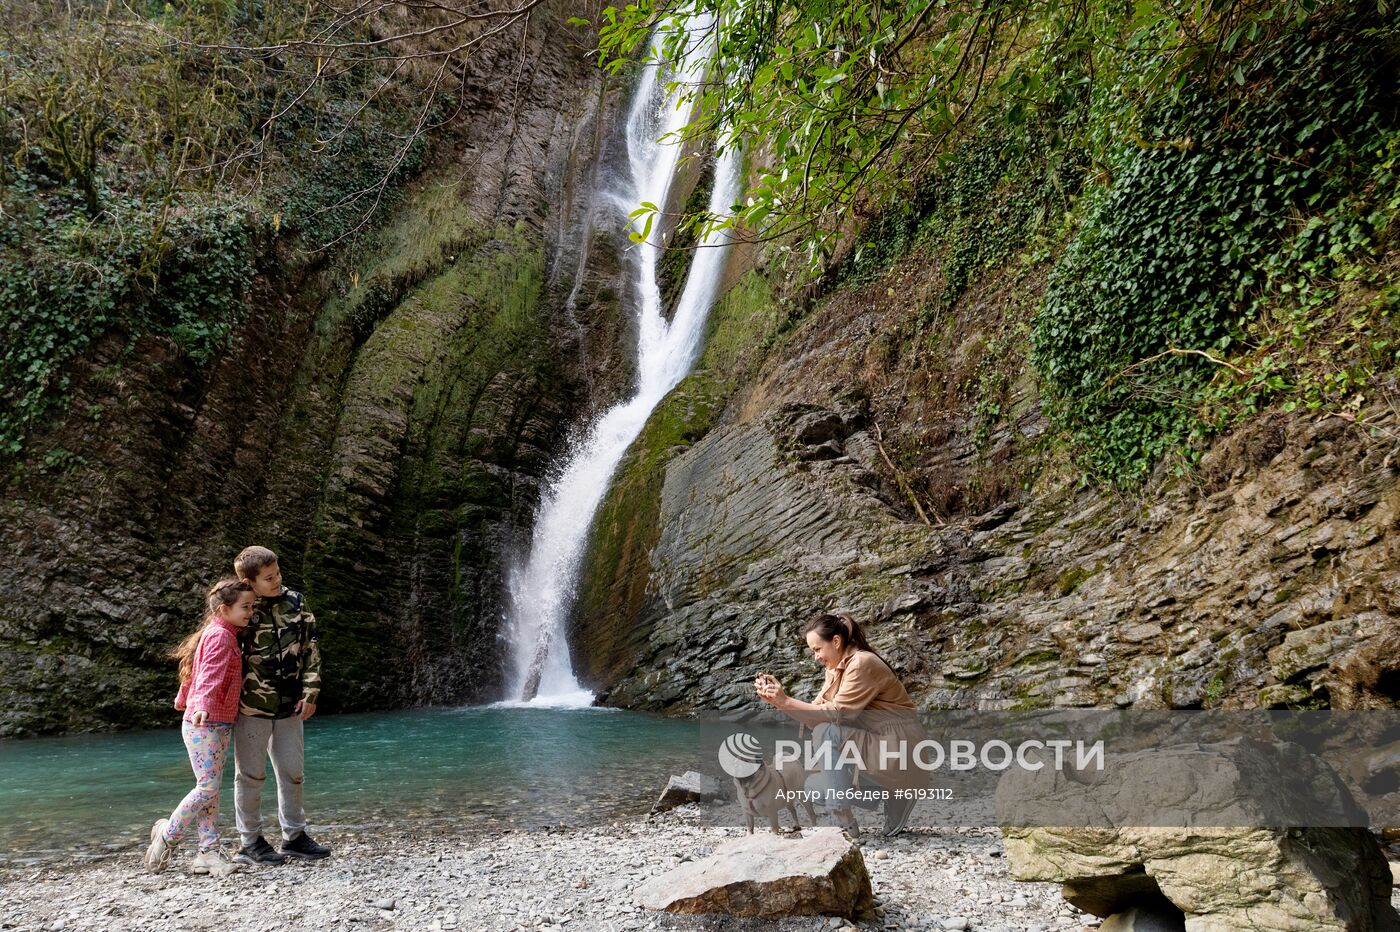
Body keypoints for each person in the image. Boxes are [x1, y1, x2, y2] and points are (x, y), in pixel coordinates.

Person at [755, 611, 926, 837]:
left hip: (901, 751)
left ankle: (844, 823)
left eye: (817, 649)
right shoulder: (836, 669)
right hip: (879, 749)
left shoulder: (862, 663)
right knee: (812, 788)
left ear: (836, 641)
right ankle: (894, 795)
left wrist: (786, 700)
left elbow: (835, 714)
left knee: (826, 733)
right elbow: (813, 718)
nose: (815, 656)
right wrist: (779, 702)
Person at [144, 578, 255, 877]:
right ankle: (167, 836)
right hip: (206, 722)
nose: (250, 612)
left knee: (211, 789)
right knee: (206, 787)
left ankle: (208, 851)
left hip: (210, 721)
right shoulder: (221, 637)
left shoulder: (218, 633)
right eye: (245, 607)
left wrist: (184, 698)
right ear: (224, 609)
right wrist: (202, 704)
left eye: (252, 606)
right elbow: (208, 675)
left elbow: (193, 670)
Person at [231, 546, 331, 865]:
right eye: (269, 578)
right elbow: (223, 650)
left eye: (278, 574)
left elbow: (310, 648)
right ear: (249, 581)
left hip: (290, 703)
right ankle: (250, 842)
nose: (277, 581)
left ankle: (295, 836)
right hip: (251, 706)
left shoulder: (296, 601)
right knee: (250, 775)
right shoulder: (242, 606)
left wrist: (311, 691)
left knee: (293, 771)